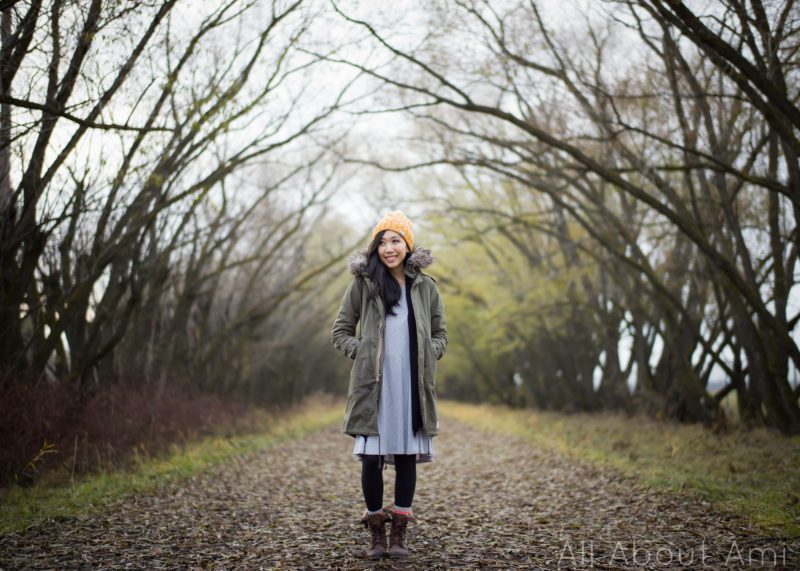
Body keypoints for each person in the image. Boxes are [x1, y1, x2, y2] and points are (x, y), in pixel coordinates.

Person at [330, 210, 447, 560]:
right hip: (373, 386)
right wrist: (362, 351)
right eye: (382, 241)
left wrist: (430, 350)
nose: (388, 248)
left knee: (407, 457)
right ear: (375, 247)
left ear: (408, 245)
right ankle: (377, 535)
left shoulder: (426, 287)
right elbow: (340, 331)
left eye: (395, 240)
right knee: (371, 459)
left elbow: (441, 332)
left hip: (412, 385)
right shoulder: (363, 284)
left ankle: (399, 535)